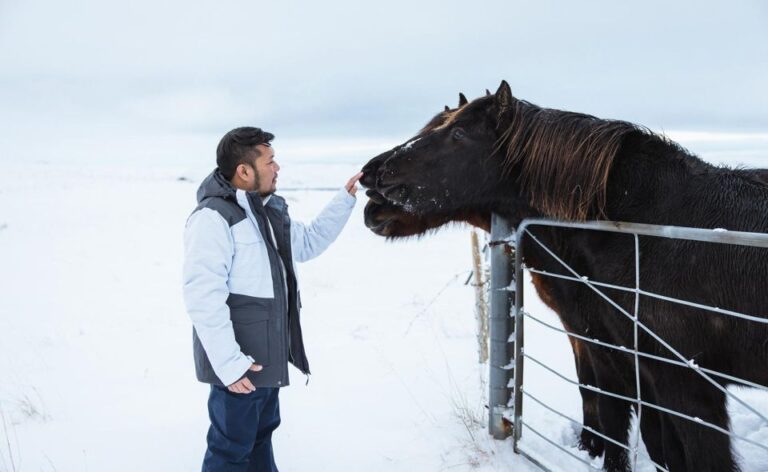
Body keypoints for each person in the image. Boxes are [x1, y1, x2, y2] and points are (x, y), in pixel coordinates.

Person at [182, 126, 361, 471]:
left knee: (260, 441)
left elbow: (307, 243)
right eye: (270, 161)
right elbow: (202, 295)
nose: (277, 168)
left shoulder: (268, 212)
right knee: (229, 453)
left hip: (265, 363)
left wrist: (345, 198)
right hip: (238, 366)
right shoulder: (213, 218)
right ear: (244, 171)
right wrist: (229, 364)